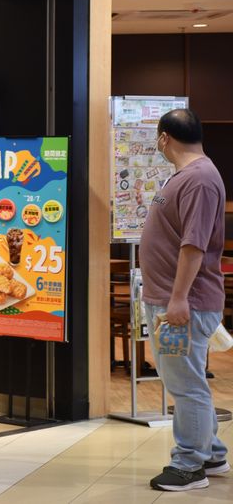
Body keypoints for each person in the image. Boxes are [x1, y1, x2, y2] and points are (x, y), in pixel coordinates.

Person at [141, 108, 228, 493]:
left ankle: (189, 464)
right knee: (187, 380)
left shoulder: (199, 180)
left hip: (183, 306)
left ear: (164, 139)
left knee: (185, 384)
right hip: (175, 302)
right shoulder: (190, 176)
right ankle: (211, 452)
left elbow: (194, 246)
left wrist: (178, 300)